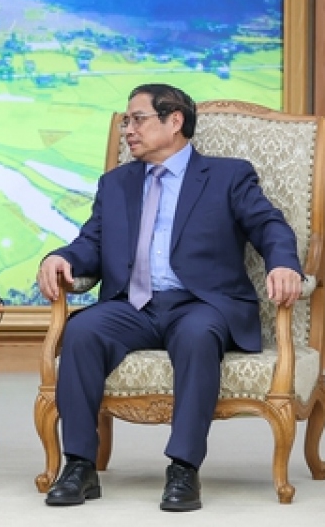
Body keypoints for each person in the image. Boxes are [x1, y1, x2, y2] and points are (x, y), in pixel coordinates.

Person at [36, 83, 302, 512]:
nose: (128, 130)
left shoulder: (227, 176)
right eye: (126, 121)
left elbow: (269, 225)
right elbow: (92, 243)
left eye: (138, 119)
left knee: (198, 336)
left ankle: (183, 468)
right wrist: (60, 257)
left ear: (174, 121)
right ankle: (80, 466)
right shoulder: (116, 183)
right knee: (82, 331)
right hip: (132, 307)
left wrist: (283, 264)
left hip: (200, 304)